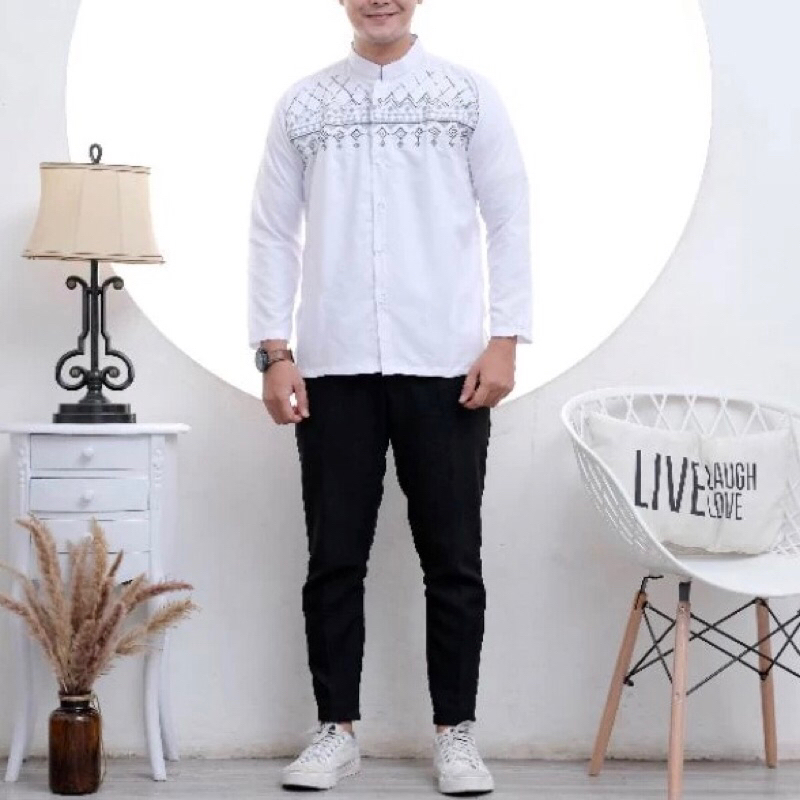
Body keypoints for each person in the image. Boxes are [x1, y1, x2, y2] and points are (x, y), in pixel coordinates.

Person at [247, 0, 532, 794]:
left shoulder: (467, 96)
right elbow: (271, 231)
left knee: (454, 560)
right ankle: (335, 731)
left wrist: (506, 337)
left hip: (446, 363)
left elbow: (509, 218)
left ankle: (456, 734)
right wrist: (274, 350)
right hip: (333, 363)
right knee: (333, 558)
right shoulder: (303, 104)